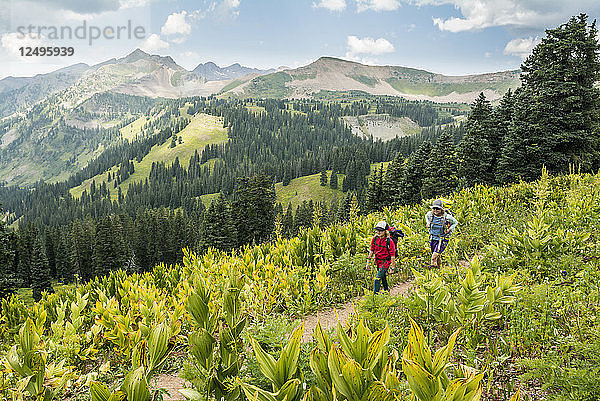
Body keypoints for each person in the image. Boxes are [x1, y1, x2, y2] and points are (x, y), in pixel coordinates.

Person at [425, 199, 458, 268]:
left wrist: (449, 229)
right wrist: (428, 223)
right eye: (434, 208)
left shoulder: (446, 217)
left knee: (434, 257)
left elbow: (455, 222)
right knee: (437, 255)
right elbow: (426, 217)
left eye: (438, 209)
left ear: (441, 209)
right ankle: (440, 269)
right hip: (433, 238)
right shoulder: (430, 215)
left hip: (442, 239)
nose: (435, 210)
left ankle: (432, 270)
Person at [365, 220, 396, 294]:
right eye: (377, 230)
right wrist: (368, 263)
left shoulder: (389, 241)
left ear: (385, 231)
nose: (378, 232)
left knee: (377, 279)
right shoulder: (375, 239)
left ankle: (375, 297)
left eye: (381, 230)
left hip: (386, 262)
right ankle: (386, 291)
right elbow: (371, 251)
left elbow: (392, 255)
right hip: (378, 261)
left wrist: (392, 267)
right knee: (383, 276)